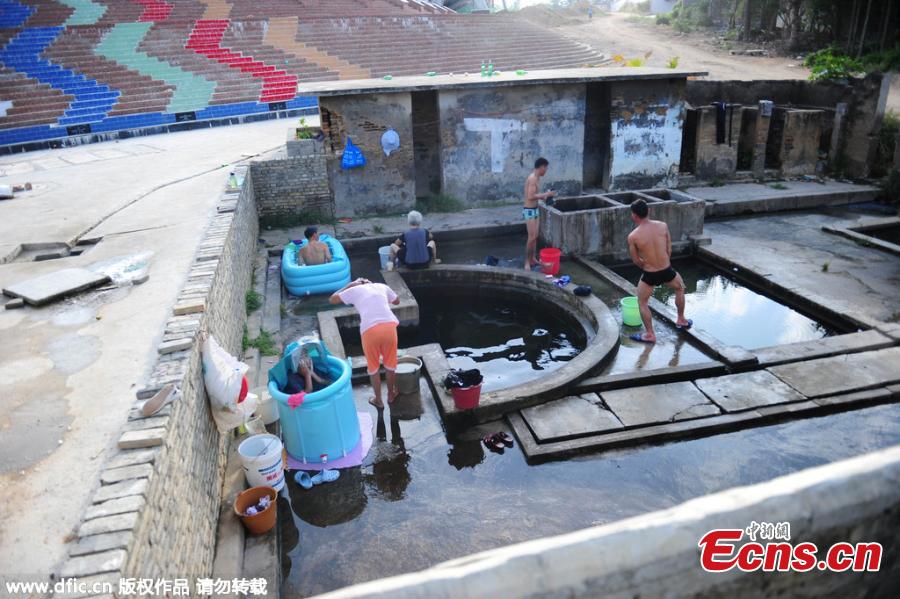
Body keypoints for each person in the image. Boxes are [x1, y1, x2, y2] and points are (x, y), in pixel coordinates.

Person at [626, 199, 692, 343]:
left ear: (634, 215)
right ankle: (681, 319)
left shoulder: (633, 236)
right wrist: (663, 264)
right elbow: (669, 249)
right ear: (648, 211)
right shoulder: (663, 226)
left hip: (649, 273)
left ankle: (650, 334)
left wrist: (648, 266)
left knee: (642, 302)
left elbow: (636, 260)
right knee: (680, 288)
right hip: (667, 270)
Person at [329, 278, 400, 408]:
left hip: (369, 330)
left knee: (373, 367)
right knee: (390, 364)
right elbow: (397, 301)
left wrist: (349, 285)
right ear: (370, 282)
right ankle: (391, 395)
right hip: (389, 326)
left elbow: (332, 299)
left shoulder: (355, 289)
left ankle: (378, 400)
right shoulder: (381, 286)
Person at [523, 157, 556, 271]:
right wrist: (546, 194)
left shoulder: (537, 178)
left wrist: (545, 197)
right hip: (529, 210)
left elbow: (535, 195)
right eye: (546, 168)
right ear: (541, 167)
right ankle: (527, 262)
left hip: (535, 209)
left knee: (535, 236)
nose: (546, 171)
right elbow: (530, 196)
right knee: (531, 237)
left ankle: (533, 259)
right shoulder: (532, 178)